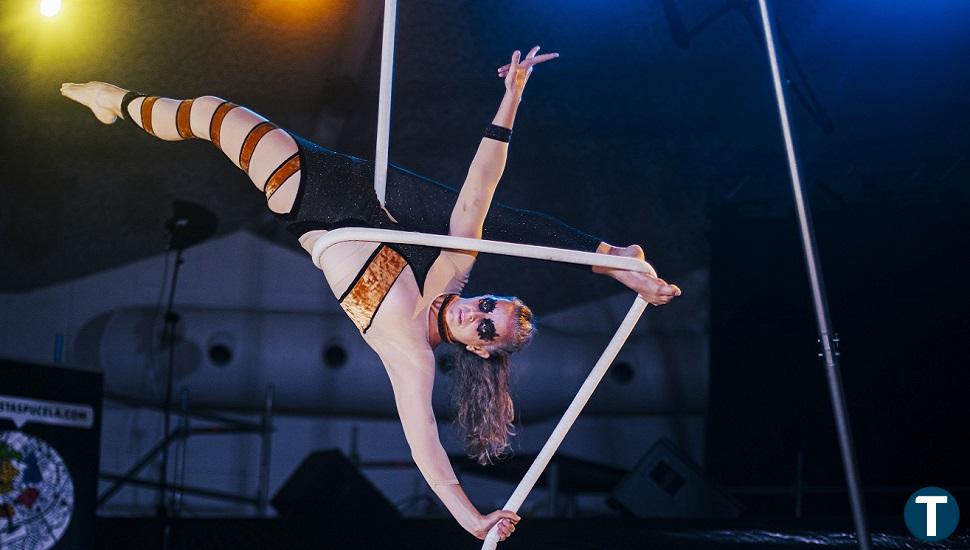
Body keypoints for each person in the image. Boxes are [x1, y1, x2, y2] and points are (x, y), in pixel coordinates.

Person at [61, 46, 680, 542]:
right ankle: (607, 257)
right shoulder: (452, 279)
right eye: (491, 304)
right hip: (364, 188)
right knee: (478, 223)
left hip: (313, 202)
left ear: (480, 351)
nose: (478, 312)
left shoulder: (410, 351)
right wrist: (510, 99)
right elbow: (477, 193)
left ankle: (115, 104)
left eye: (485, 328)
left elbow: (426, 452)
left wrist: (471, 519)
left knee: (215, 116)